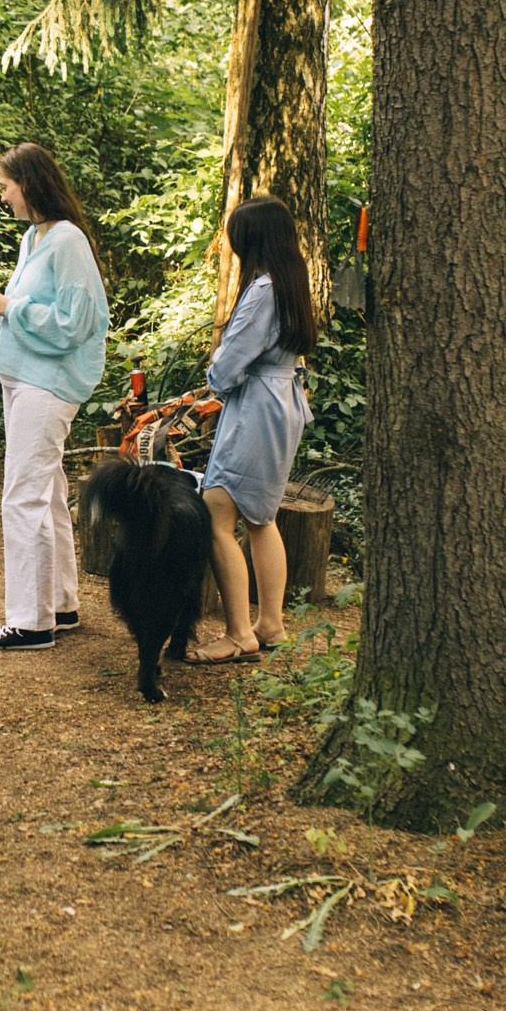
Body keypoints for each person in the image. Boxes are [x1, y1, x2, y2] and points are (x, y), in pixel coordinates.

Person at [0, 143, 110, 653]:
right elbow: (35, 306)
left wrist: (15, 308)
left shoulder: (68, 240)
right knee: (47, 491)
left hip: (48, 384)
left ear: (28, 183)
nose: (2, 193)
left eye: (6, 184)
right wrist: (3, 311)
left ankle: (29, 623)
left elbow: (78, 322)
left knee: (23, 493)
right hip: (21, 376)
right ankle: (60, 604)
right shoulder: (35, 237)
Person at [187, 195, 316, 663]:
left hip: (257, 409)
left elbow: (227, 366)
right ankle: (272, 624)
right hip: (283, 402)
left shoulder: (263, 289)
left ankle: (239, 633)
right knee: (261, 517)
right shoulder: (291, 282)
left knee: (217, 511)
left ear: (253, 238)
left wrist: (215, 374)